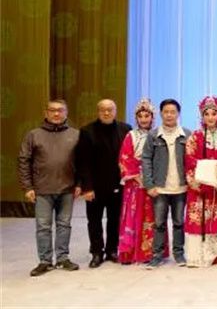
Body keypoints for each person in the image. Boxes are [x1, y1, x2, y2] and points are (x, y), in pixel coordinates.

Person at [18, 99, 81, 276]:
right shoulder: (33, 135)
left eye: (60, 110)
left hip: (67, 189)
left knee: (64, 225)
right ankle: (45, 261)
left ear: (66, 113)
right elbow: (24, 161)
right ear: (45, 113)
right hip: (42, 189)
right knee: (43, 226)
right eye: (52, 110)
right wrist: (27, 187)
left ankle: (62, 258)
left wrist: (79, 184)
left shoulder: (76, 135)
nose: (56, 113)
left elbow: (82, 163)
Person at [77, 99, 132, 268]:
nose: (106, 113)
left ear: (115, 111)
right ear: (98, 111)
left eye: (110, 110)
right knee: (94, 221)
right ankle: (96, 252)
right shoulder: (87, 131)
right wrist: (86, 187)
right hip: (94, 187)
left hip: (118, 185)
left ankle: (112, 250)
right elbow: (83, 162)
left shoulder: (126, 129)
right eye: (103, 110)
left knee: (115, 220)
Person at [142, 99, 192, 269]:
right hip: (160, 188)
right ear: (161, 114)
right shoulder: (153, 135)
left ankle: (179, 254)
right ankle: (157, 255)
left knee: (179, 222)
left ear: (178, 114)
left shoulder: (187, 134)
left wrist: (191, 181)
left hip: (181, 187)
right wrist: (149, 184)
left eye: (173, 112)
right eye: (166, 112)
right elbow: (146, 159)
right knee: (159, 224)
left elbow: (192, 160)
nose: (169, 115)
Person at [117, 98, 168, 264]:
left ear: (152, 117)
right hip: (135, 183)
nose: (144, 119)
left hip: (153, 181)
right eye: (141, 116)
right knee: (133, 215)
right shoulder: (131, 135)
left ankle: (151, 252)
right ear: (136, 118)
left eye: (147, 116)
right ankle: (130, 252)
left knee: (154, 217)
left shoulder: (158, 134)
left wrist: (151, 177)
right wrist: (137, 176)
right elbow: (125, 157)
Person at [184, 96, 217, 267]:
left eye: (214, 114)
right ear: (202, 116)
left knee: (216, 218)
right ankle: (197, 256)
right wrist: (201, 178)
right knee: (198, 219)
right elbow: (189, 160)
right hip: (200, 185)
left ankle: (215, 254)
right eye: (207, 114)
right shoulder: (195, 137)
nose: (210, 117)